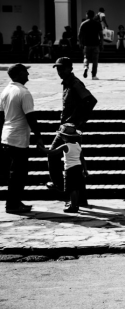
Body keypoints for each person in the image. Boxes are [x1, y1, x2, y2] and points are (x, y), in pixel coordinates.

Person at [46, 57, 97, 197]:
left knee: (53, 153)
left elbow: (90, 100)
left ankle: (59, 184)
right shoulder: (67, 83)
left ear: (70, 69)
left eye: (62, 68)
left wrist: (78, 122)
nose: (60, 71)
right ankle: (80, 197)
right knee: (74, 161)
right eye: (58, 69)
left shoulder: (75, 84)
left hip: (69, 129)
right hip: (66, 128)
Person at [0, 64, 44, 213]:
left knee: (14, 174)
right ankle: (13, 204)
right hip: (18, 139)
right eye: (25, 72)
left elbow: (1, 116)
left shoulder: (6, 91)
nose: (28, 75)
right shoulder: (24, 93)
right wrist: (38, 137)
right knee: (19, 174)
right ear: (19, 74)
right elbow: (31, 117)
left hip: (7, 137)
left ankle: (13, 202)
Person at [42, 124, 88, 213]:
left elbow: (52, 152)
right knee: (76, 188)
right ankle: (76, 204)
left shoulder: (65, 146)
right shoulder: (78, 145)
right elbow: (82, 158)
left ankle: (73, 206)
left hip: (70, 170)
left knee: (71, 189)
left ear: (65, 137)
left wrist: (41, 149)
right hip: (78, 168)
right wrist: (85, 170)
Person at [78, 10, 103, 80]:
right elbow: (101, 35)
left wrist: (80, 43)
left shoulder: (83, 23)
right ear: (93, 15)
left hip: (86, 44)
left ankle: (86, 67)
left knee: (86, 57)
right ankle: (94, 75)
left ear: (87, 15)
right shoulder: (97, 23)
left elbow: (79, 35)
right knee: (95, 60)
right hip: (95, 44)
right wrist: (102, 44)